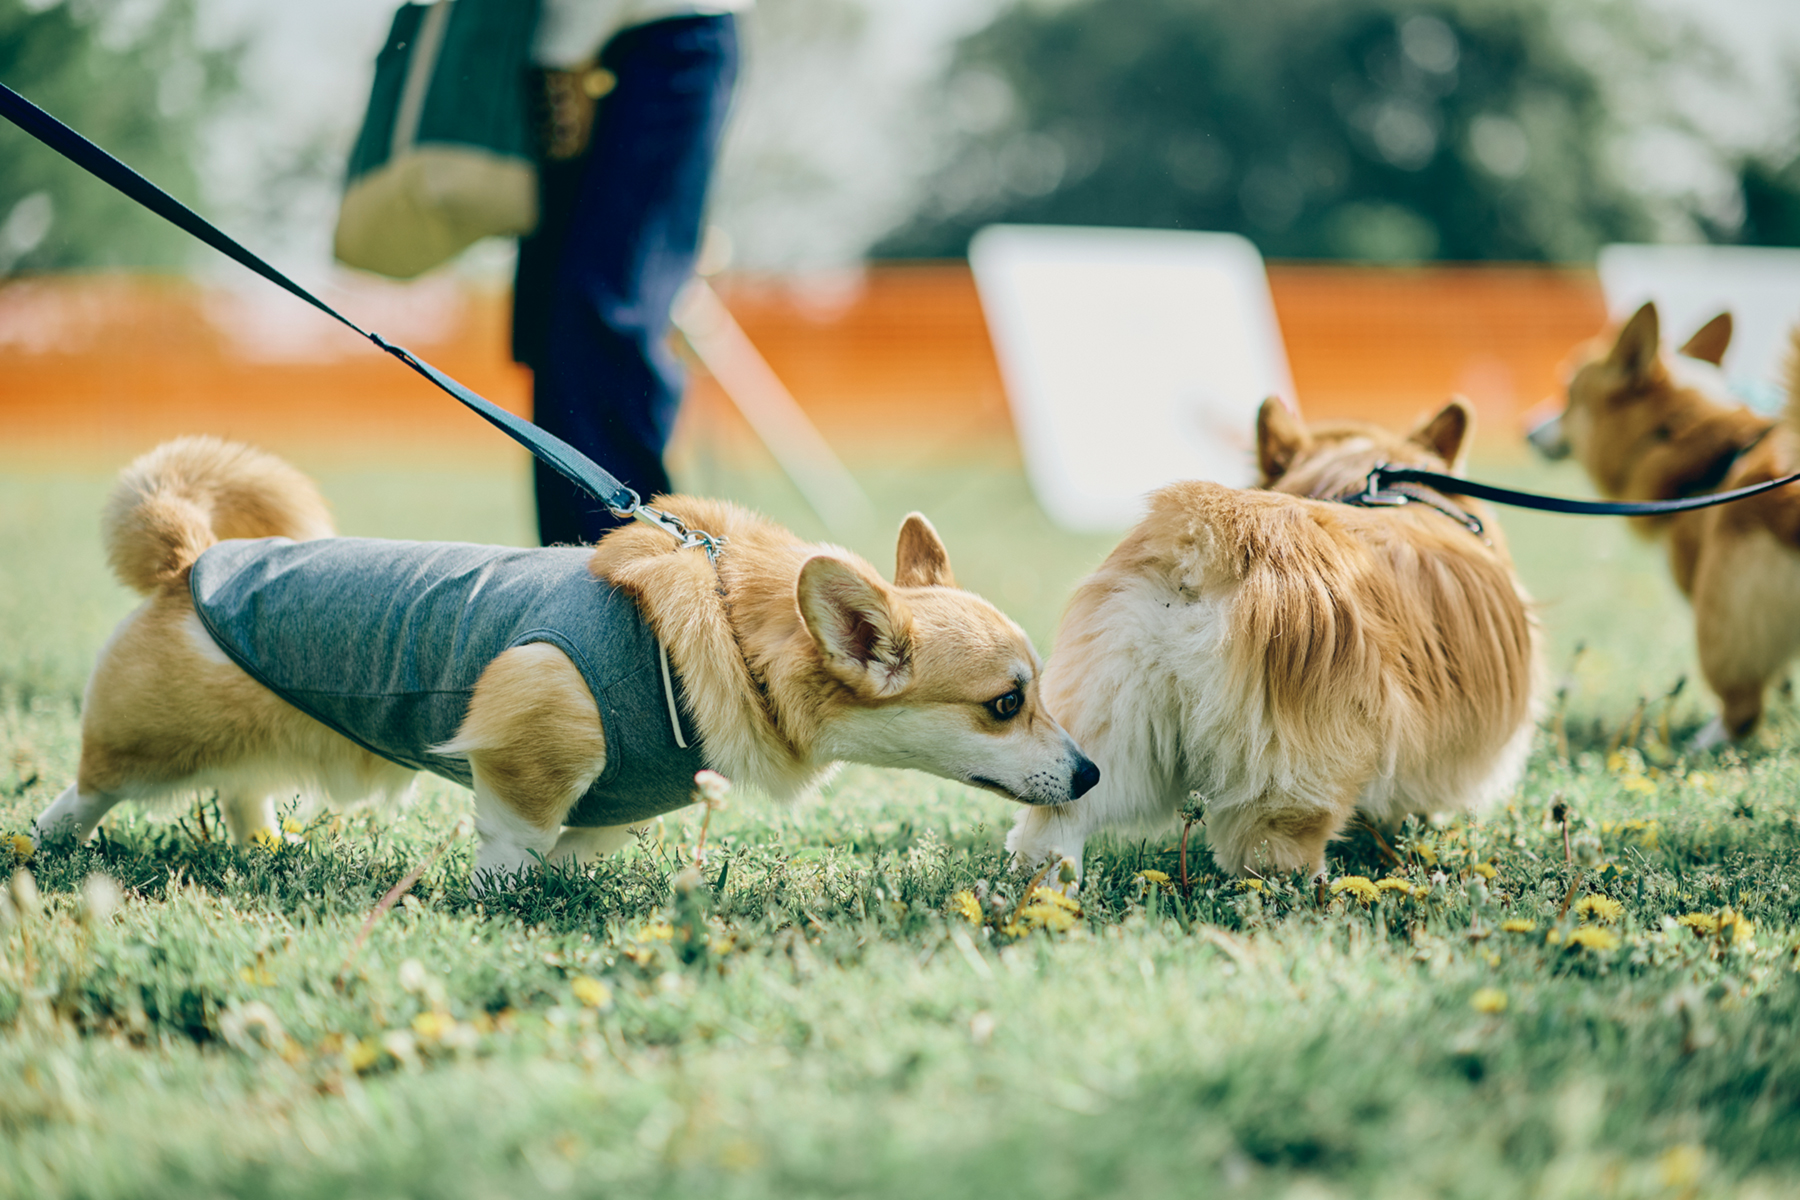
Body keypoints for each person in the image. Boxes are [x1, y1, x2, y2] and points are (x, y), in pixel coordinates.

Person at [513, 1, 746, 547]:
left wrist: (565, 48)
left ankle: (643, 582)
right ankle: (570, 580)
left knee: (600, 319)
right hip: (567, 51)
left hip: (654, 34)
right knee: (554, 337)